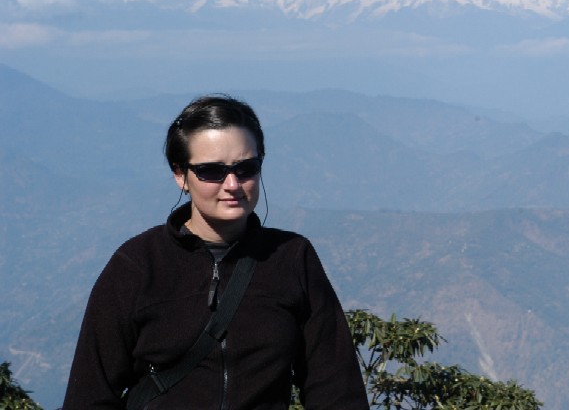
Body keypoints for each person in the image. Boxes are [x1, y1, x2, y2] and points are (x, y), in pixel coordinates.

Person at [63, 95, 368, 409]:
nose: (233, 184)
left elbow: (337, 392)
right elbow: (89, 396)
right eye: (211, 171)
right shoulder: (137, 267)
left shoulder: (291, 259)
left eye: (246, 168)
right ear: (180, 175)